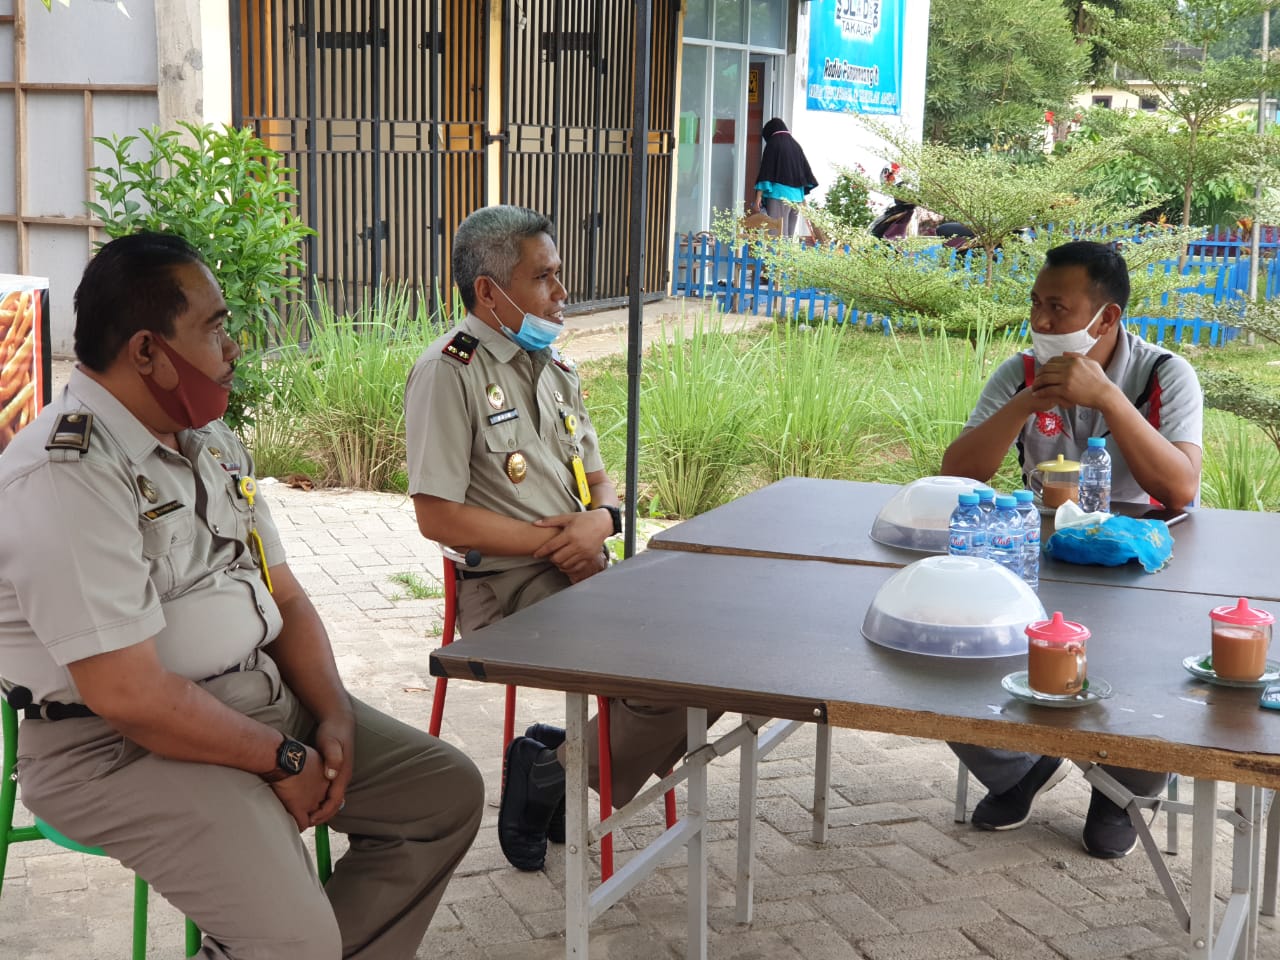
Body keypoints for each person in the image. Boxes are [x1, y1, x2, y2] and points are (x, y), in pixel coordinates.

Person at [0, 232, 483, 959]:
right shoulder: (65, 474)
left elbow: (283, 597)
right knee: (293, 939)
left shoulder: (207, 438)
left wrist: (333, 716)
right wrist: (282, 759)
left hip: (254, 702)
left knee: (441, 795)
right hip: (112, 749)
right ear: (146, 351)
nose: (233, 348)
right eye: (216, 327)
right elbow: (129, 696)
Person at [404, 205, 698, 874]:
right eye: (546, 279)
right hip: (506, 586)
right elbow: (437, 517)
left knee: (705, 649)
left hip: (585, 564)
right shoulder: (449, 372)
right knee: (671, 678)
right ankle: (556, 772)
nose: (562, 295)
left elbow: (602, 483)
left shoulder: (555, 367)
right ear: (489, 290)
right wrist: (551, 545)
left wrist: (604, 521)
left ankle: (555, 764)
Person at [940, 239, 1203, 859]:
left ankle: (1124, 788)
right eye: (1035, 304)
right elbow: (957, 473)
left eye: (1058, 308)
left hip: (1143, 566)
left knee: (1151, 669)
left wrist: (1108, 397)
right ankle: (1019, 769)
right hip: (1042, 557)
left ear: (1105, 318)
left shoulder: (1164, 374)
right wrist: (1029, 402)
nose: (1041, 322)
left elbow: (1181, 487)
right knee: (954, 647)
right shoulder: (1022, 371)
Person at [752, 117, 818, 237]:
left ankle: (775, 257)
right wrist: (802, 199)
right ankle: (787, 256)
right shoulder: (795, 146)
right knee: (788, 237)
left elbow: (766, 172)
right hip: (796, 198)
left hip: (779, 196)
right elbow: (804, 173)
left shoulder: (773, 144)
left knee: (776, 236)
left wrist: (758, 198)